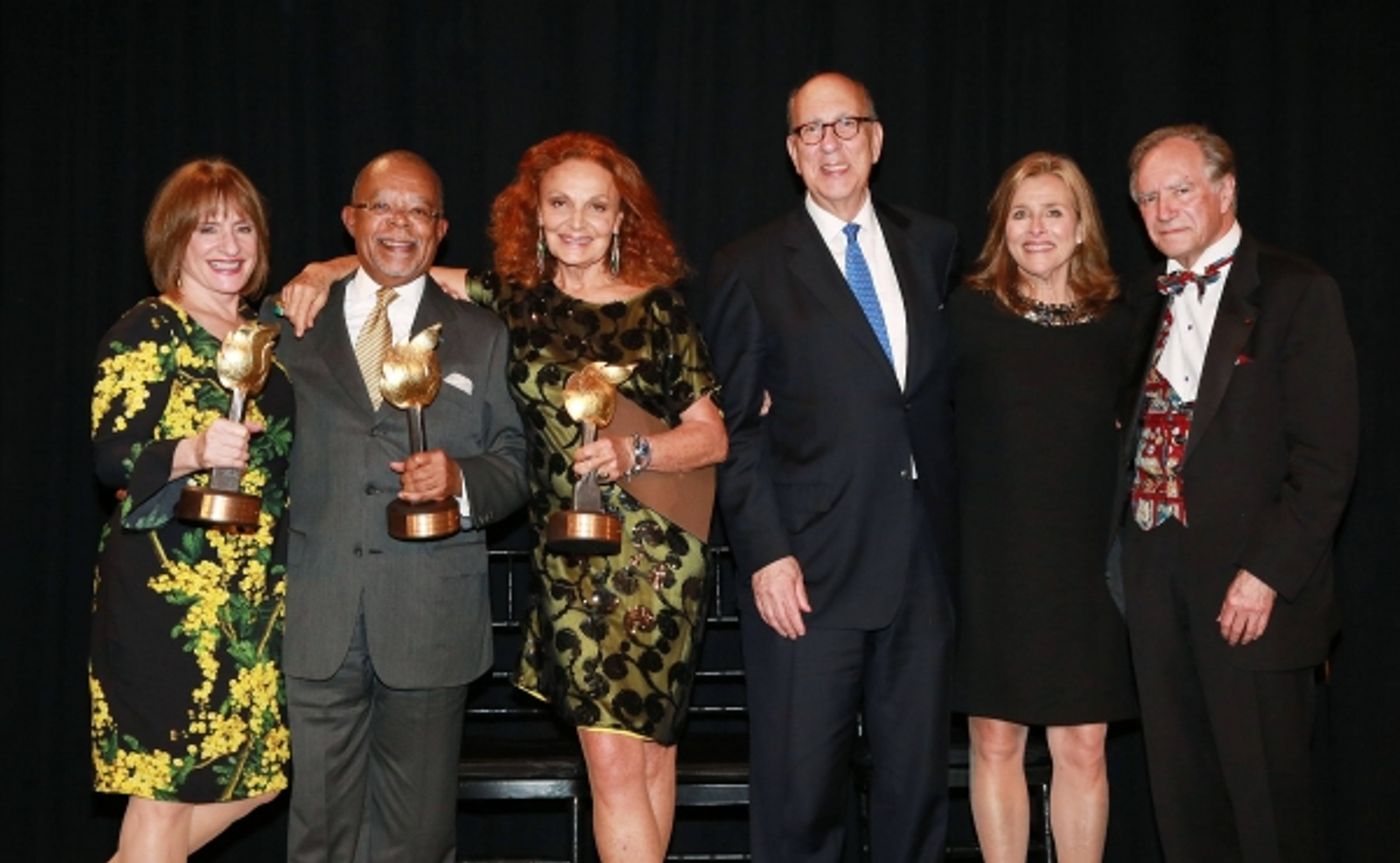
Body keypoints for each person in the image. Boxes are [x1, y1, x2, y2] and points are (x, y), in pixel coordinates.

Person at [280, 132, 728, 863]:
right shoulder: (513, 301)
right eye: (560, 204)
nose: (577, 221)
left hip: (654, 557)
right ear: (537, 216)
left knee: (642, 758)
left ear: (622, 220)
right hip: (573, 562)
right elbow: (402, 260)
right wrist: (327, 265)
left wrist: (631, 451)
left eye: (596, 206)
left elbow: (711, 437)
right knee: (626, 760)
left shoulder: (658, 310)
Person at [698, 72, 959, 861]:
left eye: (845, 126)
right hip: (804, 570)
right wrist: (766, 554)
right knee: (801, 797)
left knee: (915, 790)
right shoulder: (748, 266)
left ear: (876, 140)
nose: (830, 144)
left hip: (920, 566)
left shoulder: (934, 245)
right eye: (812, 132)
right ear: (792, 152)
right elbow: (735, 429)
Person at [265, 150, 529, 863]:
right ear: (351, 219)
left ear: (440, 230)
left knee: (415, 840)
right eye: (383, 206)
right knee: (318, 833)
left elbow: (515, 465)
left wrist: (460, 478)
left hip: (429, 618)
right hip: (315, 614)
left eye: (418, 210)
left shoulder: (480, 333)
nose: (399, 223)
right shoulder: (287, 325)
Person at [1109, 124, 1358, 861]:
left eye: (1179, 189)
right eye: (1149, 197)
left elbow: (1327, 457)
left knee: (1268, 811)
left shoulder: (1297, 291)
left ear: (1225, 191)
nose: (1163, 209)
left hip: (1252, 590)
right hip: (1156, 586)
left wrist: (1268, 573)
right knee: (1184, 804)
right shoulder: (1143, 305)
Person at [90, 158, 293, 861]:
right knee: (163, 796)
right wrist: (194, 447)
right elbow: (112, 456)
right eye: (208, 227)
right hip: (168, 599)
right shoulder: (148, 329)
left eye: (243, 226)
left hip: (254, 604)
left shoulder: (268, 336)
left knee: (256, 782)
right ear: (175, 239)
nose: (229, 243)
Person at [950, 152, 1137, 862]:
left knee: (1084, 745)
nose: (1037, 228)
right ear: (1002, 226)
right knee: (995, 740)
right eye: (1021, 212)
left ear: (1081, 223)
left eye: (1053, 211)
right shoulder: (967, 315)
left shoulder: (1120, 324)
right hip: (992, 562)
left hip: (1087, 567)